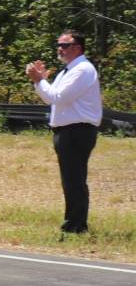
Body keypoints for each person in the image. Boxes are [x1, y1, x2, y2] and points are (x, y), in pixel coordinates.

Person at [27, 30, 103, 235]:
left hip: (77, 131)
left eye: (65, 45)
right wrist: (40, 81)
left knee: (74, 179)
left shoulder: (82, 70)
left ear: (78, 48)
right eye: (58, 45)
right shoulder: (66, 71)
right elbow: (50, 97)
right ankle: (73, 223)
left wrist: (39, 80)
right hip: (67, 131)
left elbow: (58, 97)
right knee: (70, 179)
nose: (60, 49)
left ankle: (76, 225)